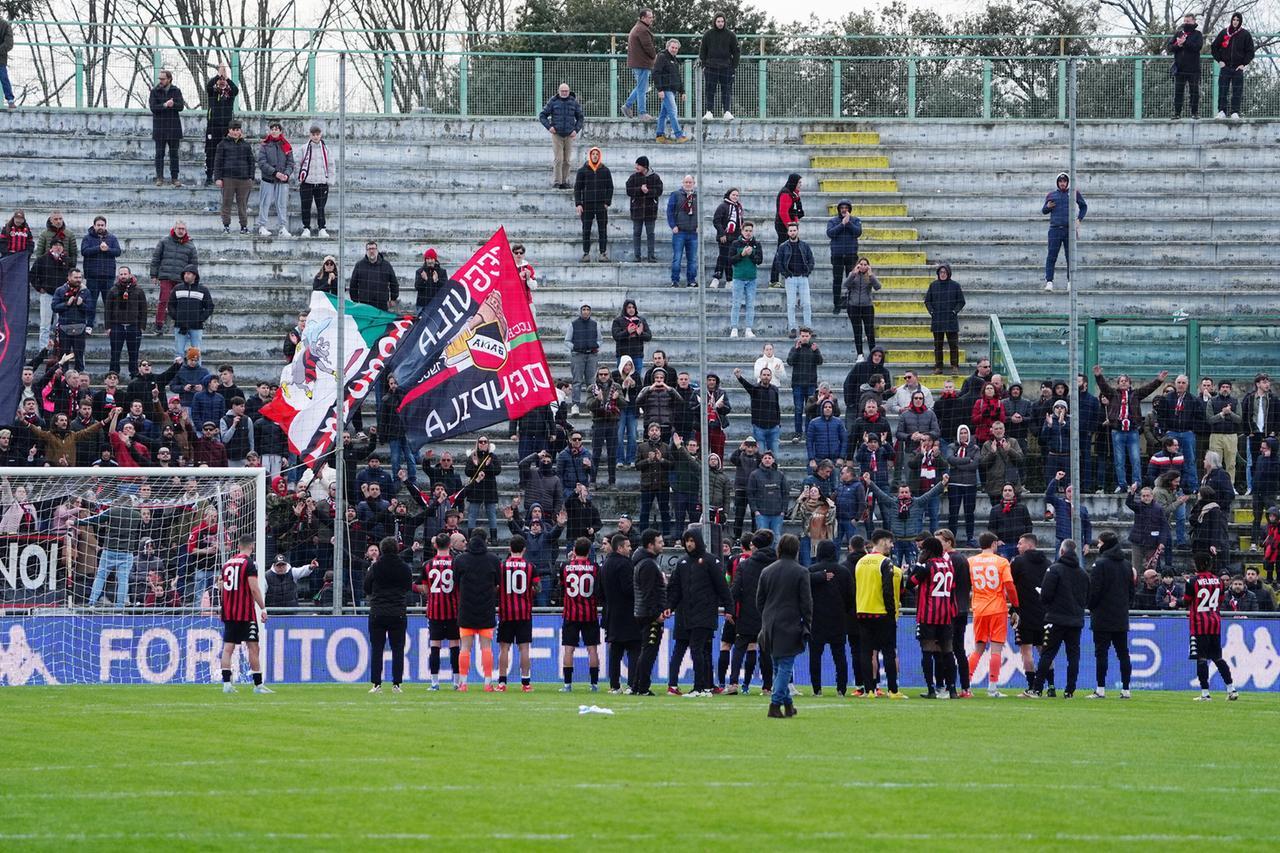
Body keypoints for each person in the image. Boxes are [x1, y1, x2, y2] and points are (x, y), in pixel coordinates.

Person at [667, 528, 732, 696]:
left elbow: (722, 588)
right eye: (686, 541)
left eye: (692, 540)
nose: (689, 544)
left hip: (705, 613)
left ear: (698, 541)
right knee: (701, 650)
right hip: (688, 615)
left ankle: (700, 687)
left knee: (696, 648)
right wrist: (669, 607)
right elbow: (676, 590)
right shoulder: (682, 563)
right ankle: (704, 686)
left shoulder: (711, 561)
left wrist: (728, 608)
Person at [757, 533, 812, 717]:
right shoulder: (801, 571)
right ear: (796, 550)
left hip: (769, 624)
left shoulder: (767, 571)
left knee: (778, 666)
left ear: (779, 548)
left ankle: (788, 705)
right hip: (790, 623)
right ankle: (775, 704)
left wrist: (766, 617)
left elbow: (759, 600)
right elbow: (806, 602)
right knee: (785, 666)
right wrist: (807, 623)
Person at [1027, 539, 1089, 698]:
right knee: (1073, 656)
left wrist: (1048, 603)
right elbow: (1086, 598)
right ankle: (1069, 691)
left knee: (1047, 653)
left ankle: (1037, 688)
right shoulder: (1083, 573)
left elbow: (1046, 595)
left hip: (1055, 620)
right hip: (1075, 620)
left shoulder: (1054, 570)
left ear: (1062, 551)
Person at [1094, 364, 1167, 491]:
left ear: (1129, 383)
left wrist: (1159, 380)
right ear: (1117, 384)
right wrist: (1098, 376)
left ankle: (1136, 483)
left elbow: (1149, 388)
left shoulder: (1136, 394)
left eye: (1125, 381)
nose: (1123, 383)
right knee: (1119, 460)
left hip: (1132, 431)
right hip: (1117, 431)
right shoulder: (1113, 394)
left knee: (1135, 459)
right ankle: (1122, 485)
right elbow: (1103, 386)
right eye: (1121, 381)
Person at [851, 529, 905, 699]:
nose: (891, 545)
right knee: (888, 652)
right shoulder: (885, 562)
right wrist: (891, 613)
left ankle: (869, 690)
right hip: (881, 612)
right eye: (889, 541)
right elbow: (887, 590)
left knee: (866, 652)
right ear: (882, 541)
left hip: (862, 611)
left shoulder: (861, 562)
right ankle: (893, 690)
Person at [967, 532, 1019, 697]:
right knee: (996, 649)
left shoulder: (971, 561)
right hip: (997, 608)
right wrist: (1016, 605)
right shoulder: (1001, 562)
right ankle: (992, 687)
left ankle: (965, 685)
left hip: (979, 609)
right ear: (994, 544)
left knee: (978, 649)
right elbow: (1009, 586)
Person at [219, 535, 272, 694]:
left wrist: (223, 607)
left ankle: (227, 684)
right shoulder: (249, 564)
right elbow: (254, 589)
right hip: (245, 613)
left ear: (238, 546)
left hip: (229, 612)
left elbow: (221, 587)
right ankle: (258, 685)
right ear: (252, 546)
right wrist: (263, 608)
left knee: (228, 648)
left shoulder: (227, 563)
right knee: (253, 647)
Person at [908, 536, 958, 699]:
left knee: (927, 652)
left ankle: (931, 689)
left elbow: (910, 583)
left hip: (928, 615)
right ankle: (952, 690)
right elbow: (953, 588)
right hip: (945, 616)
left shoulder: (926, 567)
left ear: (928, 550)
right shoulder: (949, 566)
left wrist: (918, 563)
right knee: (948, 653)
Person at [1087, 531, 1134, 699]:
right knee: (1123, 653)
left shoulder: (1100, 564)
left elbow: (1095, 591)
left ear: (1105, 544)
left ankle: (1100, 689)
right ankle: (1126, 689)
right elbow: (1131, 591)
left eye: (1099, 543)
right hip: (1120, 616)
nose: (1098, 546)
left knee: (1101, 653)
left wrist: (1091, 607)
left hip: (1102, 616)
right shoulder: (1127, 565)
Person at [362, 536, 412, 694]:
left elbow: (366, 587)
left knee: (377, 648)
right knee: (398, 649)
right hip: (398, 612)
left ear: (382, 549)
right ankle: (397, 684)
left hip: (378, 611)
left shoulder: (375, 567)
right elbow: (407, 587)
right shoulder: (404, 567)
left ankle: (376, 684)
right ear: (397, 549)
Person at [453, 529, 501, 692]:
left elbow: (455, 582)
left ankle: (463, 683)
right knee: (486, 647)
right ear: (486, 540)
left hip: (466, 609)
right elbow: (497, 584)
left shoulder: (460, 559)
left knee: (465, 647)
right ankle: (488, 684)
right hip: (486, 609)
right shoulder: (493, 559)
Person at [1186, 554, 1239, 700]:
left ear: (1197, 564)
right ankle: (1231, 689)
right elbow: (1221, 600)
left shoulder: (1192, 581)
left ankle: (1205, 693)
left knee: (1201, 658)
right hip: (1215, 623)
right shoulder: (1219, 581)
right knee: (1218, 657)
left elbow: (1187, 600)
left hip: (1199, 624)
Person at [415, 532, 461, 690]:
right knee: (455, 646)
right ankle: (456, 682)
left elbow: (425, 588)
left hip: (435, 610)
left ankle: (434, 682)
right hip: (454, 611)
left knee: (435, 646)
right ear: (450, 545)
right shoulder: (456, 563)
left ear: (435, 545)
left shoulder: (427, 565)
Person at [807, 539, 852, 696]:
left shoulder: (811, 570)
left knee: (815, 656)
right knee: (839, 655)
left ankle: (816, 688)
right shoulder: (844, 571)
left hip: (816, 620)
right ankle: (841, 688)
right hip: (838, 619)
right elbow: (850, 597)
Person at [493, 535, 538, 692]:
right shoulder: (530, 567)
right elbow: (537, 589)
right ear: (524, 549)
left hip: (506, 613)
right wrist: (528, 592)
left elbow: (495, 588)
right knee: (524, 648)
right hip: (524, 613)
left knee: (504, 648)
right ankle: (526, 683)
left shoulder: (501, 566)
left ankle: (502, 683)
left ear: (509, 548)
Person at [559, 537, 601, 692]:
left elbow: (563, 586)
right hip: (590, 614)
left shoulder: (565, 566)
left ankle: (567, 685)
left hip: (571, 614)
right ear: (589, 552)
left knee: (569, 649)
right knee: (592, 649)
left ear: (574, 551)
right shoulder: (595, 567)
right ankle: (594, 684)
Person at [1010, 534, 1050, 695]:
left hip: (1024, 613)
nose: (1017, 546)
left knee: (1026, 651)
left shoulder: (1018, 562)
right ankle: (1051, 686)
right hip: (1044, 614)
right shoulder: (1048, 562)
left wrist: (1013, 608)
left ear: (1029, 545)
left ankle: (1032, 686)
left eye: (1020, 543)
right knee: (1045, 651)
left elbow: (1009, 583)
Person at [598, 534, 639, 693]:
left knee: (615, 651)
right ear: (620, 548)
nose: (630, 549)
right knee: (634, 648)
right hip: (627, 614)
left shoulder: (605, 564)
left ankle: (614, 685)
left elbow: (599, 592)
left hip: (610, 613)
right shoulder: (625, 564)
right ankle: (632, 684)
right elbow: (629, 589)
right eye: (628, 546)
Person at [149, 219, 198, 335]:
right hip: (166, 277)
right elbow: (156, 258)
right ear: (174, 229)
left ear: (186, 230)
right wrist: (154, 275)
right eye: (179, 228)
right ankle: (159, 325)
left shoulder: (191, 245)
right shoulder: (164, 241)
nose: (181, 231)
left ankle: (181, 325)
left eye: (183, 229)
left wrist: (193, 278)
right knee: (164, 300)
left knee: (182, 303)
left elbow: (194, 265)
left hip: (182, 279)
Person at [1040, 172, 1086, 292]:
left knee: (1070, 257)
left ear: (1067, 182)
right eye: (1060, 181)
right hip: (1055, 230)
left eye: (1064, 181)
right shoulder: (1051, 195)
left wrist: (1079, 219)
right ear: (1057, 183)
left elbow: (1084, 206)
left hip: (1068, 230)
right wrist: (1048, 207)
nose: (1062, 183)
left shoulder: (1074, 193)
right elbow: (1044, 211)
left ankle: (1070, 282)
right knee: (1051, 256)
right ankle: (1049, 281)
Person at [770, 222, 815, 338]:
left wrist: (807, 271)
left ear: (797, 231)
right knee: (791, 305)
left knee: (807, 304)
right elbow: (778, 262)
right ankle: (793, 328)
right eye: (790, 231)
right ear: (787, 232)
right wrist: (785, 274)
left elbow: (811, 260)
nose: (792, 232)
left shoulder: (805, 245)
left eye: (794, 230)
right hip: (790, 278)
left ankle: (808, 329)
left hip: (803, 277)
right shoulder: (783, 246)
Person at [79, 215, 121, 333]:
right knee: (91, 302)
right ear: (94, 226)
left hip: (108, 276)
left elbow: (118, 252)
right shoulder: (87, 238)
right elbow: (84, 251)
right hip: (93, 276)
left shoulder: (112, 238)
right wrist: (98, 248)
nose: (100, 227)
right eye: (98, 225)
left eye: (102, 225)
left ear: (105, 226)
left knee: (109, 302)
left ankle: (109, 325)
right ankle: (89, 325)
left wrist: (107, 249)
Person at [538, 82, 584, 190]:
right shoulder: (553, 102)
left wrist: (576, 130)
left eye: (566, 91)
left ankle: (565, 181)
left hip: (569, 135)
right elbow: (542, 115)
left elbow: (580, 117)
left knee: (567, 160)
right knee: (558, 159)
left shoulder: (574, 102)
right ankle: (557, 182)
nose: (564, 93)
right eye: (562, 91)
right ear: (559, 91)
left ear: (569, 91)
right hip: (557, 135)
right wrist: (549, 127)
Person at [213, 120, 254, 235]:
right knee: (227, 203)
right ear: (229, 131)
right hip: (228, 178)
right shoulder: (222, 144)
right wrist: (218, 178)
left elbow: (251, 161)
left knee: (243, 205)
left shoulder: (246, 145)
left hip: (244, 179)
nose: (236, 132)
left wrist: (251, 177)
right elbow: (218, 162)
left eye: (238, 130)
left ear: (240, 130)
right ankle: (226, 226)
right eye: (233, 130)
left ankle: (244, 226)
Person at [1211, 13, 1254, 119]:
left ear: (1240, 22)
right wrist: (1220, 60)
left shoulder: (1245, 34)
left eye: (1237, 20)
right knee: (1223, 90)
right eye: (1234, 19)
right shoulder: (1224, 32)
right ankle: (1221, 111)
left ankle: (1235, 112)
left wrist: (1243, 64)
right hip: (1225, 67)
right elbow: (1214, 47)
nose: (1235, 21)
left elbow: (1250, 51)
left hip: (1237, 68)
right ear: (1231, 20)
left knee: (1237, 91)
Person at [104, 268, 147, 378]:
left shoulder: (138, 290)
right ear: (118, 276)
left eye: (125, 274)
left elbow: (143, 309)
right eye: (121, 274)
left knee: (134, 353)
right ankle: (113, 374)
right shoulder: (113, 290)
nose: (123, 276)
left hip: (134, 327)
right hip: (117, 326)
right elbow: (108, 309)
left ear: (130, 275)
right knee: (115, 353)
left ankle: (134, 374)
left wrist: (142, 326)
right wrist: (108, 327)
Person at [574, 146, 613, 262]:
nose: (595, 156)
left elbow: (610, 187)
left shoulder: (605, 170)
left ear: (599, 156)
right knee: (586, 229)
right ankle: (586, 253)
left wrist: (607, 202)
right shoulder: (582, 170)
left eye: (597, 154)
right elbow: (577, 188)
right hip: (587, 204)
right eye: (593, 154)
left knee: (602, 229)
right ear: (590, 156)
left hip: (601, 205)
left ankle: (603, 253)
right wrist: (578, 203)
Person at [255, 120, 294, 237]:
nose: (274, 131)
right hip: (268, 179)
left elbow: (291, 163)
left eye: (276, 129)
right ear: (270, 131)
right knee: (265, 203)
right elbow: (262, 162)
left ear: (280, 131)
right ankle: (262, 226)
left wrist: (286, 174)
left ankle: (282, 227)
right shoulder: (265, 145)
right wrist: (275, 173)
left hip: (282, 181)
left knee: (282, 204)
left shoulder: (286, 145)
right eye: (272, 129)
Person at [203, 63, 239, 186]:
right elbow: (208, 86)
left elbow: (236, 90)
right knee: (210, 151)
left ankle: (225, 176)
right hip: (212, 127)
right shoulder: (212, 92)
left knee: (227, 152)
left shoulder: (229, 93)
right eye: (220, 80)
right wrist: (218, 75)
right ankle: (209, 176)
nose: (222, 82)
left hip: (226, 128)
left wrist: (226, 77)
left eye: (224, 80)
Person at [924, 264, 964, 372]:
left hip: (951, 320)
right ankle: (938, 367)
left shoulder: (955, 285)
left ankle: (954, 366)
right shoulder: (933, 285)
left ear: (948, 273)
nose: (942, 274)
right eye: (941, 272)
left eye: (944, 272)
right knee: (938, 345)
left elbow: (961, 302)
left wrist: (954, 311)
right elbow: (927, 301)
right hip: (937, 320)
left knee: (953, 345)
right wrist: (932, 311)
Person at [167, 265, 213, 358]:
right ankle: (178, 372)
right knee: (179, 353)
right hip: (180, 326)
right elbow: (170, 305)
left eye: (188, 274)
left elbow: (209, 307)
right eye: (184, 274)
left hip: (196, 327)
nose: (185, 276)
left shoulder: (203, 290)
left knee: (196, 353)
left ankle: (197, 372)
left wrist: (200, 319)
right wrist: (177, 317)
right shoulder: (177, 288)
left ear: (194, 275)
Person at [149, 69, 185, 187]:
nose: (161, 81)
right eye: (160, 79)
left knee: (174, 154)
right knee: (159, 154)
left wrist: (173, 104)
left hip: (173, 128)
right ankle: (159, 177)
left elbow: (181, 107)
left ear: (169, 79)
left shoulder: (176, 91)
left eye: (163, 79)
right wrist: (165, 105)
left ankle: (175, 178)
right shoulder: (155, 91)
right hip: (160, 128)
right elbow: (153, 107)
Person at [699, 13, 738, 119]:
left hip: (726, 67)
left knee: (726, 90)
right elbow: (702, 51)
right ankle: (709, 112)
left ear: (724, 22)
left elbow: (736, 52)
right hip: (710, 67)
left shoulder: (731, 35)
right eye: (718, 21)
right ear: (714, 22)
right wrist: (704, 65)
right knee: (710, 89)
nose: (720, 23)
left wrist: (733, 67)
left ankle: (727, 112)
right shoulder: (707, 34)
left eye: (722, 21)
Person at [826, 200, 862, 315]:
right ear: (839, 209)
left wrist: (848, 223)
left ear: (849, 209)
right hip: (837, 255)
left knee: (851, 280)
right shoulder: (833, 221)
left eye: (846, 207)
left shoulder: (855, 220)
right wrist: (842, 224)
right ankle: (836, 304)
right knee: (837, 281)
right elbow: (830, 233)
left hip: (851, 255)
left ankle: (850, 304)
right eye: (842, 207)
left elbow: (858, 232)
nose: (844, 209)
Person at [1166, 13, 1204, 120]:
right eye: (1185, 21)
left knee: (1194, 92)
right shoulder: (1178, 33)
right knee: (1178, 92)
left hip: (1193, 69)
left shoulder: (1198, 34)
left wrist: (1185, 42)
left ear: (1194, 21)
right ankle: (1177, 113)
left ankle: (1194, 113)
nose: (1186, 23)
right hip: (1180, 69)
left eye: (1188, 21)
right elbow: (1169, 47)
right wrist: (1178, 45)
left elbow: (1198, 47)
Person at [728, 220, 762, 338]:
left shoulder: (757, 244)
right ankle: (734, 328)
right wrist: (741, 254)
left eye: (750, 231)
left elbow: (759, 261)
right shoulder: (735, 244)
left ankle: (748, 328)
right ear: (742, 231)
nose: (748, 233)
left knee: (750, 304)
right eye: (746, 230)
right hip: (738, 278)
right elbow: (731, 260)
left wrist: (751, 254)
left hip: (752, 278)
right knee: (736, 303)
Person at [564, 304, 601, 413]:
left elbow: (600, 339)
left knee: (592, 381)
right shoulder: (573, 324)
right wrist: (575, 347)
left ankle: (592, 406)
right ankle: (575, 404)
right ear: (580, 311)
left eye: (588, 309)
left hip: (591, 355)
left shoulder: (595, 324)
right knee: (577, 381)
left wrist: (596, 345)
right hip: (578, 355)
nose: (585, 312)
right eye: (583, 309)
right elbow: (567, 340)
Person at [625, 156, 663, 263]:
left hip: (650, 211)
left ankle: (651, 256)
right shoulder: (633, 177)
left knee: (650, 234)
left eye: (638, 165)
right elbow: (628, 190)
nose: (636, 167)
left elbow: (659, 191)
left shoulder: (655, 177)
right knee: (637, 233)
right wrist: (640, 190)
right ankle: (637, 256)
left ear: (645, 166)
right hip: (637, 210)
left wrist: (648, 192)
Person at [652, 38, 689, 144]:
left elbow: (677, 77)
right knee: (673, 112)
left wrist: (682, 91)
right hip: (666, 90)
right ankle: (679, 135)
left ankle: (659, 135)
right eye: (672, 47)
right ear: (668, 47)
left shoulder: (675, 60)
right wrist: (660, 89)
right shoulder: (662, 57)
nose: (674, 49)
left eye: (676, 48)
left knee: (663, 114)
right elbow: (656, 73)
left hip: (672, 90)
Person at [51, 270, 90, 370]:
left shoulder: (85, 291)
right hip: (64, 328)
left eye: (80, 277)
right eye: (75, 277)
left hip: (80, 328)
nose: (78, 280)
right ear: (69, 278)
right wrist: (66, 304)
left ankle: (79, 379)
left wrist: (81, 305)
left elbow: (90, 309)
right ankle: (64, 379)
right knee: (64, 357)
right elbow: (54, 307)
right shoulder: (60, 290)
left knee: (79, 356)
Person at [842, 257, 880, 359]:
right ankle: (860, 354)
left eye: (865, 264)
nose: (863, 267)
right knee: (857, 331)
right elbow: (846, 284)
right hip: (854, 307)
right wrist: (854, 273)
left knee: (870, 331)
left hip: (867, 307)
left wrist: (871, 275)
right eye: (861, 264)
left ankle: (873, 353)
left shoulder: (870, 276)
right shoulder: (853, 274)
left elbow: (878, 287)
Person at [622, 9, 656, 120]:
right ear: (643, 18)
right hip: (642, 63)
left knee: (642, 87)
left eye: (652, 17)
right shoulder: (642, 30)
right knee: (642, 89)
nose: (651, 19)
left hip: (638, 63)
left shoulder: (637, 28)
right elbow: (648, 47)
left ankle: (627, 106)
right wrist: (654, 57)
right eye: (649, 17)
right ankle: (642, 113)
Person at [349, 241, 398, 310]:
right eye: (369, 249)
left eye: (373, 249)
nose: (371, 251)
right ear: (366, 251)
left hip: (382, 303)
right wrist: (355, 301)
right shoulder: (359, 265)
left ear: (377, 250)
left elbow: (394, 283)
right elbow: (353, 285)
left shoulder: (386, 265)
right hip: (364, 303)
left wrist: (393, 298)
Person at [710, 188, 742, 289]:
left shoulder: (739, 208)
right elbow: (716, 221)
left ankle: (729, 280)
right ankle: (717, 278)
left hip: (735, 238)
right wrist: (722, 234)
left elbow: (740, 222)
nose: (735, 197)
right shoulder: (723, 206)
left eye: (737, 195)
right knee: (723, 257)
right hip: (724, 237)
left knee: (730, 259)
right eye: (733, 195)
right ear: (729, 195)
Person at [774, 173, 804, 249]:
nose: (800, 185)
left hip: (788, 225)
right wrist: (790, 227)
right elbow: (783, 213)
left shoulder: (792, 193)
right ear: (794, 182)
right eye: (799, 182)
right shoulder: (786, 193)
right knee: (784, 247)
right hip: (784, 226)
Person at [0, 15, 14, 108]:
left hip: (0, 58)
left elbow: (9, 43)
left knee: (4, 78)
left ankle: (10, 100)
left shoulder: (5, 25)